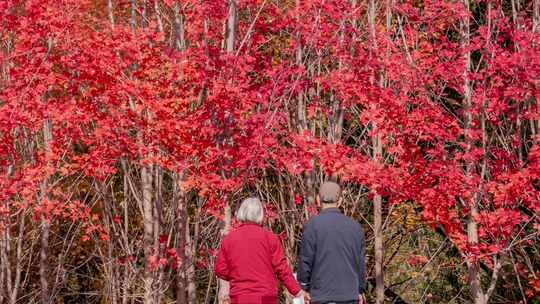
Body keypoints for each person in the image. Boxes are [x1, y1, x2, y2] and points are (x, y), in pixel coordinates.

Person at [215, 197, 303, 304]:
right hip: (266, 297)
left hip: (240, 296)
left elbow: (221, 270)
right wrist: (297, 291)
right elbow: (282, 269)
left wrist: (237, 275)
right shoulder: (270, 238)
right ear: (260, 215)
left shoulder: (229, 239)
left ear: (242, 212)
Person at [298, 181, 366, 304]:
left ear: (318, 200)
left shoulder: (312, 226)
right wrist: (360, 289)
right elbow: (360, 263)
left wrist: (304, 287)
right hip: (349, 294)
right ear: (339, 201)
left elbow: (305, 260)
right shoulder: (356, 227)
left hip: (320, 295)